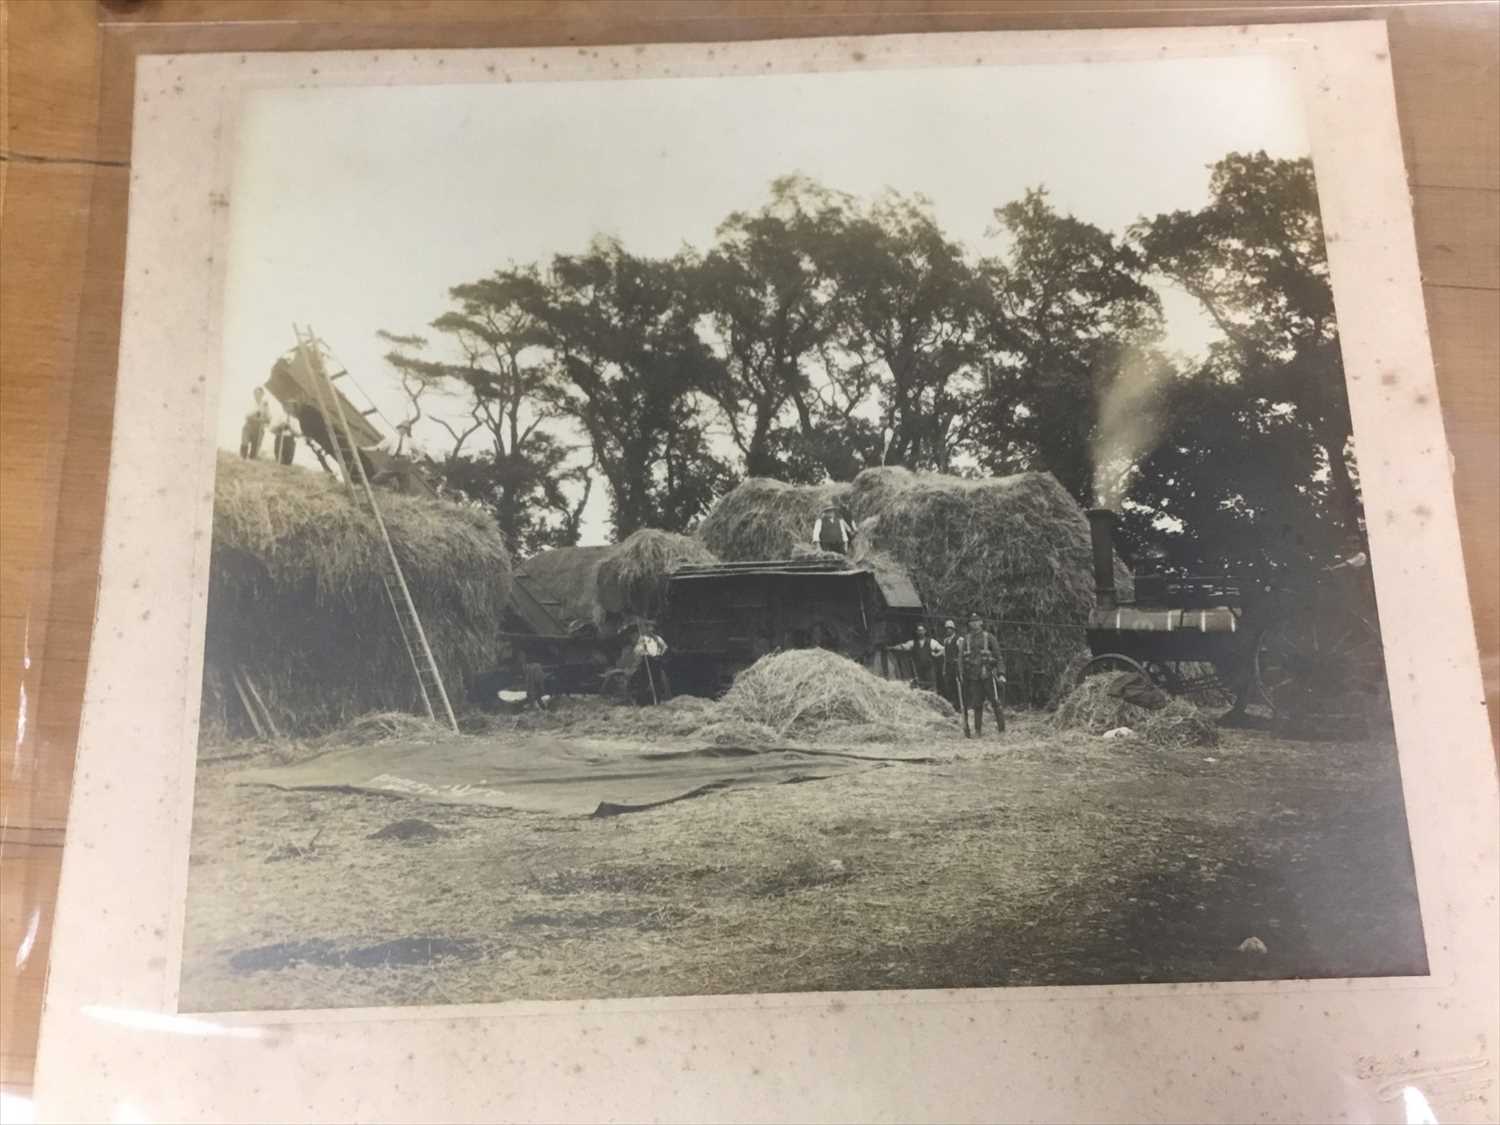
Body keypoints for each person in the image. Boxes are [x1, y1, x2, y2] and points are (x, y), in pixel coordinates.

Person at [956, 612, 1006, 736]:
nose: (974, 624)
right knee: (976, 704)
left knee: (995, 702)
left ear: (981, 623)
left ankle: (1002, 730)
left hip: (988, 675)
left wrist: (1001, 673)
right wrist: (961, 674)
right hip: (973, 677)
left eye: (977, 621)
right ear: (969, 624)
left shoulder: (989, 637)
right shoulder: (966, 639)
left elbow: (999, 657)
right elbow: (961, 658)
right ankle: (978, 731)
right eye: (972, 622)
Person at [886, 623, 946, 693]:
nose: (920, 632)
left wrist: (936, 655)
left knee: (932, 689)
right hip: (919, 670)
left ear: (925, 631)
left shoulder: (931, 642)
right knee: (921, 689)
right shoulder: (913, 643)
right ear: (916, 632)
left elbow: (943, 649)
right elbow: (903, 646)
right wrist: (891, 648)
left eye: (922, 630)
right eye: (918, 630)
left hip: (929, 670)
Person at [632, 620, 671, 704]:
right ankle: (642, 701)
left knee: (657, 681)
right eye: (649, 627)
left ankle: (657, 699)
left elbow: (664, 648)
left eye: (652, 627)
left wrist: (659, 653)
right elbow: (637, 650)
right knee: (644, 681)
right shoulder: (643, 639)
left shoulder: (658, 639)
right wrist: (644, 651)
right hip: (646, 662)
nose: (651, 629)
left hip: (656, 661)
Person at [239, 386, 272, 459]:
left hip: (259, 428)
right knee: (245, 442)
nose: (257, 395)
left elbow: (268, 419)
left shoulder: (265, 405)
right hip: (249, 426)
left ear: (262, 394)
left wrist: (263, 418)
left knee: (255, 448)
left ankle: (252, 460)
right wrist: (256, 412)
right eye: (256, 393)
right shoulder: (249, 403)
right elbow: (247, 416)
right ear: (254, 394)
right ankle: (242, 458)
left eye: (259, 394)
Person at [937, 618, 962, 709]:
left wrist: (960, 666)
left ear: (953, 629)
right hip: (948, 666)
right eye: (946, 629)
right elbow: (945, 655)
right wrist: (944, 669)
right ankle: (953, 705)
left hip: (956, 666)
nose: (948, 630)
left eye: (950, 628)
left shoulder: (959, 639)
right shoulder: (946, 641)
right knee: (950, 685)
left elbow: (961, 653)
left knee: (958, 685)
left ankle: (960, 705)